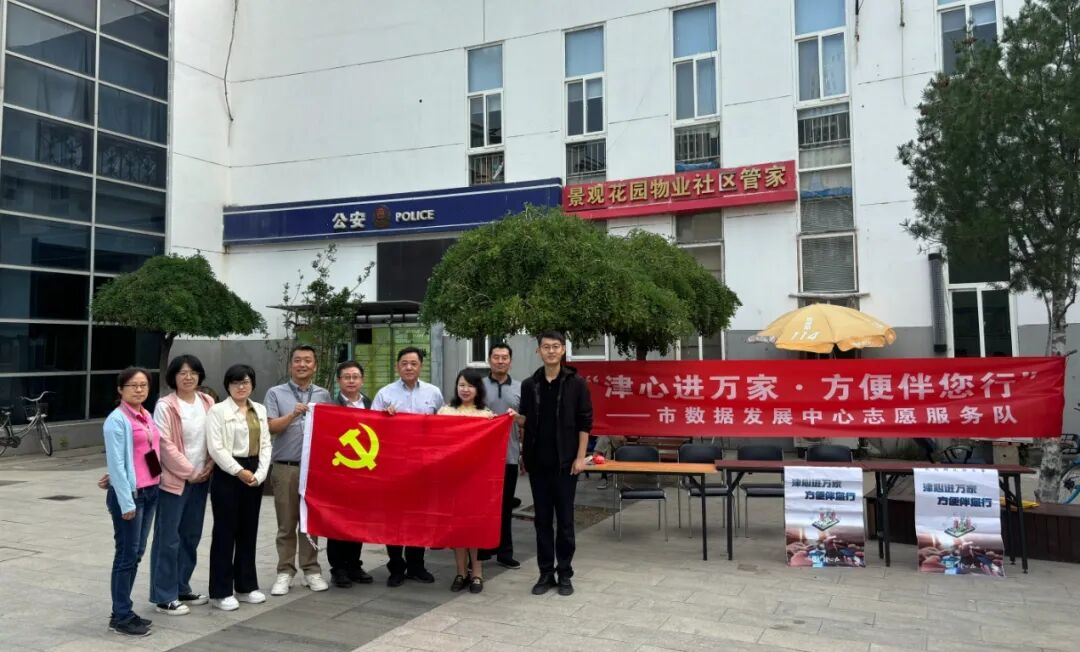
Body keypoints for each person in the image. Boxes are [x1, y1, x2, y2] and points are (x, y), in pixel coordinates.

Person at [519, 330, 593, 597]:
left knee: (565, 522)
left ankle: (564, 572)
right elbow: (526, 422)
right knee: (541, 521)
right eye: (546, 347)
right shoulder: (530, 384)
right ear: (538, 351)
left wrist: (580, 457)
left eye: (555, 346)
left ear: (563, 350)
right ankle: (545, 573)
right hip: (538, 464)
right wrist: (523, 453)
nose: (551, 351)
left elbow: (585, 423)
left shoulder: (577, 384)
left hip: (566, 465)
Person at [371, 346, 444, 587]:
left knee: (419, 516)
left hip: (423, 466)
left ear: (421, 366)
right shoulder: (385, 394)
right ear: (397, 366)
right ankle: (396, 566)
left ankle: (416, 565)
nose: (409, 367)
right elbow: (371, 430)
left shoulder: (434, 393)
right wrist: (383, 418)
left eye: (413, 363)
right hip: (393, 466)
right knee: (394, 517)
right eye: (404, 363)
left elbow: (444, 426)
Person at [149, 355, 215, 616]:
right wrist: (189, 472)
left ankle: (181, 586)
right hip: (174, 482)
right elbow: (164, 445)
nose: (188, 377)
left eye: (193, 372)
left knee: (190, 536)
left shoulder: (207, 401)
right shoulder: (165, 405)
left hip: (201, 479)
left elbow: (216, 436)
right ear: (173, 377)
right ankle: (164, 596)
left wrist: (209, 465)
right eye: (182, 373)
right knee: (168, 539)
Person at [265, 345, 334, 596]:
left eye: (307, 360)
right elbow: (271, 427)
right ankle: (285, 571)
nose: (302, 365)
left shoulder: (323, 395)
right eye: (297, 360)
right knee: (286, 523)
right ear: (290, 365)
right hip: (286, 467)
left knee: (309, 522)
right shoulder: (275, 393)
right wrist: (292, 414)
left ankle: (311, 570)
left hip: (314, 470)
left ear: (315, 366)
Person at [205, 364, 272, 611]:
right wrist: (238, 471)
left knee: (248, 530)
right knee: (225, 532)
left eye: (245, 382)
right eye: (235, 382)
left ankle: (246, 586)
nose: (241, 387)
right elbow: (215, 447)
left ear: (252, 384)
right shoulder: (218, 410)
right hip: (228, 472)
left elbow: (266, 444)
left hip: (254, 470)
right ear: (227, 385)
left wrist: (261, 473)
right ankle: (220, 591)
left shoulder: (259, 409)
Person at [103, 367, 161, 637]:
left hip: (150, 491)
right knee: (126, 555)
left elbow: (146, 452)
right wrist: (126, 502)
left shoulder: (145, 415)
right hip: (131, 496)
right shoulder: (116, 420)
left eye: (143, 385)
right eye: (133, 385)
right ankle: (120, 616)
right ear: (120, 389)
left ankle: (124, 609)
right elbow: (116, 463)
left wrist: (156, 478)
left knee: (136, 554)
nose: (139, 390)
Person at [438, 369, 499, 593]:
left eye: (470, 385)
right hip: (452, 479)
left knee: (475, 526)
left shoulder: (486, 415)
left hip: (477, 481)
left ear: (478, 389)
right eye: (461, 385)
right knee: (456, 527)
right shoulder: (445, 412)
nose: (465, 389)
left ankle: (477, 573)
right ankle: (460, 572)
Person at [326, 360, 374, 588]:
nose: (351, 381)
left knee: (358, 521)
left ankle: (354, 564)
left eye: (355, 377)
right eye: (347, 377)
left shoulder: (371, 404)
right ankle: (338, 568)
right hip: (338, 473)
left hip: (363, 474)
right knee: (337, 521)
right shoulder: (329, 407)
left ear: (362, 380)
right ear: (339, 381)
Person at [479, 343, 524, 570]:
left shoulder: (520, 387)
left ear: (510, 362)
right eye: (496, 357)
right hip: (480, 458)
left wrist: (517, 418)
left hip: (509, 456)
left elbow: (527, 420)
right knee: (483, 506)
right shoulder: (477, 386)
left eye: (504, 357)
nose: (500, 361)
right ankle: (482, 550)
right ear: (489, 360)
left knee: (505, 506)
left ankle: (505, 552)